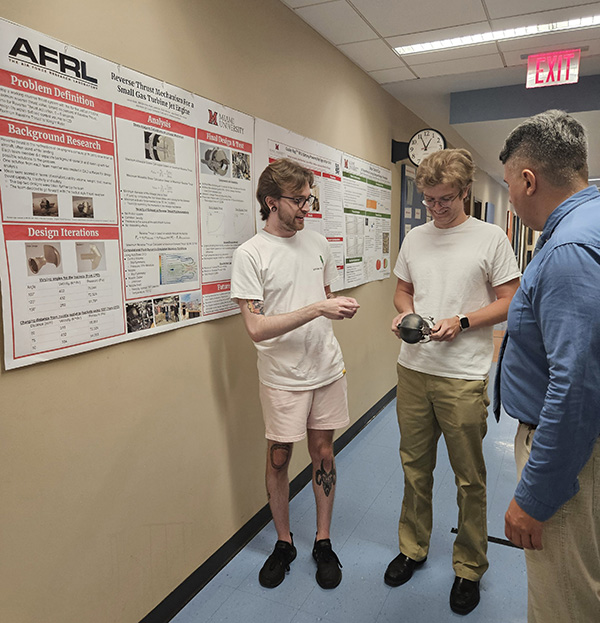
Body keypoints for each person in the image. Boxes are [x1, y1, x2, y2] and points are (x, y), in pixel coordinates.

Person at [386, 148, 520, 615]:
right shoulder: (415, 238)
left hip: (462, 376)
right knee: (414, 468)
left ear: (464, 192)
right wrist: (406, 314)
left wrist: (461, 321)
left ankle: (468, 567)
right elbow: (402, 289)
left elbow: (509, 300)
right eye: (429, 200)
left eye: (445, 199)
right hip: (413, 370)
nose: (436, 208)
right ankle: (412, 548)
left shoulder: (489, 239)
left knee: (469, 479)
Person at [230, 158, 359, 590]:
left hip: (326, 367)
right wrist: (318, 308)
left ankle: (323, 541)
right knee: (280, 457)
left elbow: (321, 295)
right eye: (300, 200)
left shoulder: (318, 243)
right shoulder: (250, 254)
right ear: (272, 202)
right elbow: (255, 328)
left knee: (323, 453)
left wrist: (331, 307)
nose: (307, 207)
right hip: (283, 376)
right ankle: (284, 542)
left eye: (310, 198)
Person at [498, 110, 600, 623]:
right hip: (582, 447)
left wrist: (535, 497)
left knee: (564, 600)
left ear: (528, 179)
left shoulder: (567, 250)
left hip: (568, 457)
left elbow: (575, 384)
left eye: (509, 185)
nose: (511, 197)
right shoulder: (591, 220)